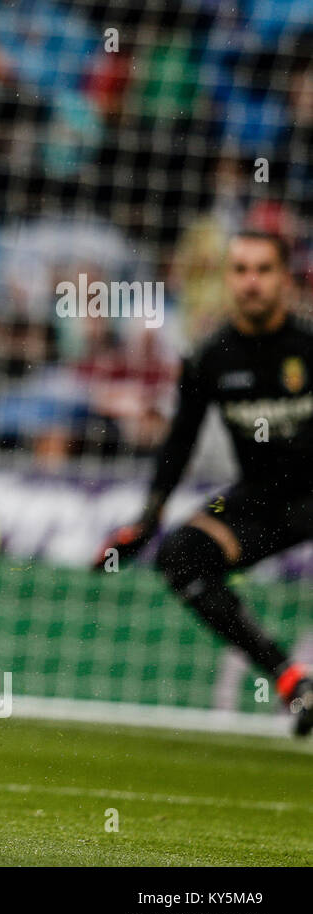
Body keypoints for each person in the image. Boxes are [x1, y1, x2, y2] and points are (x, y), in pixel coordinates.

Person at [96, 230, 313, 734]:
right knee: (181, 556)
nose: (251, 282)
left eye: (263, 269)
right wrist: (147, 520)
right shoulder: (210, 357)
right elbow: (179, 443)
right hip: (261, 501)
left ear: (284, 279)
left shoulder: (307, 347)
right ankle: (290, 681)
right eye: (240, 270)